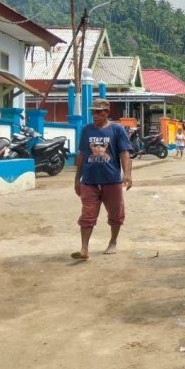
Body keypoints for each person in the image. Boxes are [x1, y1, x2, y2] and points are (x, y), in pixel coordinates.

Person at [72, 99, 132, 261]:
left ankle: (113, 241)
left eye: (99, 112)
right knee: (87, 215)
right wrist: (77, 178)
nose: (95, 115)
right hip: (89, 180)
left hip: (111, 179)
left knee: (116, 213)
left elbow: (124, 152)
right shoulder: (86, 130)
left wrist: (127, 173)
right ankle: (84, 248)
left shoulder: (117, 129)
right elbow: (82, 155)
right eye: (93, 112)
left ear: (107, 111)